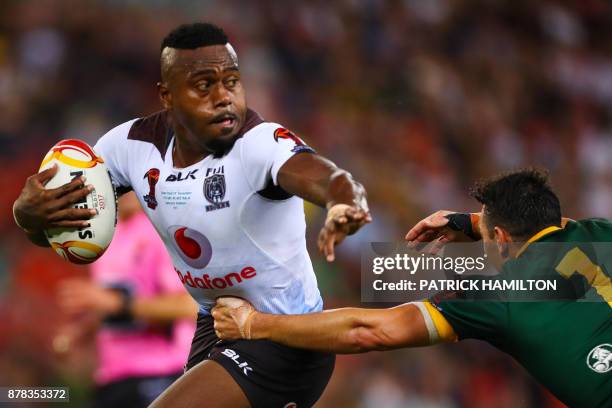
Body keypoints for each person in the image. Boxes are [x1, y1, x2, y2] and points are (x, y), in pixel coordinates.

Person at [12, 22, 370, 408]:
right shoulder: (128, 147)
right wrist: (29, 215)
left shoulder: (259, 144)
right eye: (204, 85)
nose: (223, 97)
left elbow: (325, 176)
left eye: (231, 81)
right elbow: (65, 224)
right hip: (216, 331)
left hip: (287, 340)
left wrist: (345, 201)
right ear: (167, 95)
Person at [212, 169, 612, 408]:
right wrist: (472, 224)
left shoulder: (497, 294)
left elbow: (369, 331)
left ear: (503, 238)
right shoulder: (599, 234)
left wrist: (255, 325)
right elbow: (557, 227)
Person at [54, 192, 197, 407]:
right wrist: (82, 331)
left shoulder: (164, 230)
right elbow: (111, 303)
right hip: (113, 377)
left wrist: (118, 304)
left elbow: (192, 306)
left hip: (162, 371)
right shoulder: (103, 237)